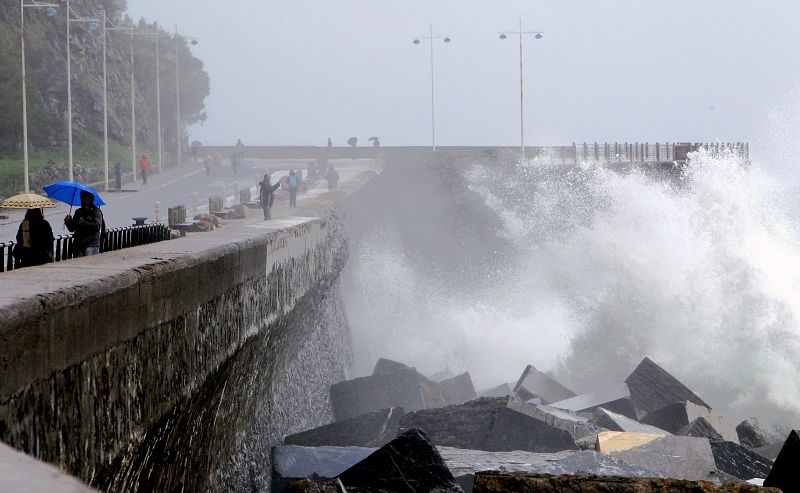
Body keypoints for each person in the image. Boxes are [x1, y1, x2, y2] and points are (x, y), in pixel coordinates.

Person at [64, 190, 105, 257]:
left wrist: (84, 221)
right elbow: (72, 228)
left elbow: (97, 226)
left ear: (90, 199)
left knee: (89, 264)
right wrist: (68, 221)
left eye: (85, 198)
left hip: (91, 244)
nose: (82, 200)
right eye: (81, 197)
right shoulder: (78, 212)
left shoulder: (96, 212)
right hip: (79, 244)